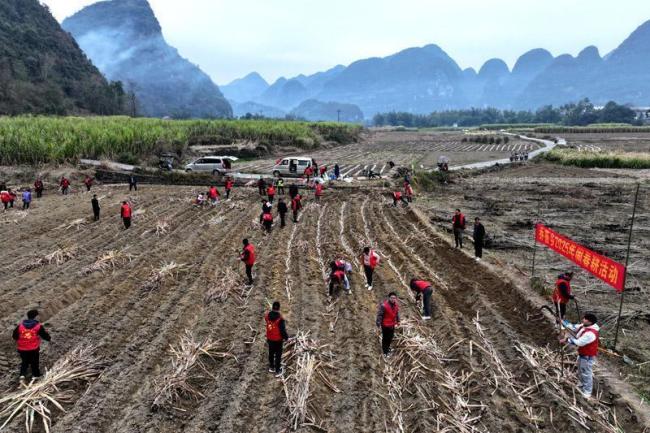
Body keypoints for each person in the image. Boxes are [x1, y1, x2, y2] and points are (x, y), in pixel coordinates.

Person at [560, 313, 600, 399]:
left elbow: (579, 342)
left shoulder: (591, 334)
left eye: (585, 319)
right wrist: (564, 323)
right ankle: (581, 384)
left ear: (590, 322)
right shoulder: (585, 326)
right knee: (580, 370)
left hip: (587, 356)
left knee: (586, 373)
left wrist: (567, 339)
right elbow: (574, 327)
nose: (583, 320)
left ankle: (587, 391)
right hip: (582, 354)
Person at [13, 309, 51, 382]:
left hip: (22, 348)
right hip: (33, 348)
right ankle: (36, 375)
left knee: (24, 362)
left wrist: (21, 340)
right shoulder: (38, 326)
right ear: (36, 316)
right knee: (34, 362)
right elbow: (44, 335)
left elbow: (14, 336)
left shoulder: (20, 326)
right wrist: (49, 339)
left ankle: (22, 375)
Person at [265, 301, 290, 377]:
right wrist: (286, 338)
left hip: (270, 338)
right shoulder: (280, 318)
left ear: (272, 307)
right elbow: (282, 331)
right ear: (279, 308)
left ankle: (271, 367)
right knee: (278, 355)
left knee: (271, 352)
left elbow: (267, 321)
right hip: (278, 340)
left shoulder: (267, 316)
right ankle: (278, 370)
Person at [376, 292, 400, 358]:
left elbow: (397, 313)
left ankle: (388, 348)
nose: (393, 299)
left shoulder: (396, 305)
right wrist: (378, 324)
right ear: (389, 298)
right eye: (392, 298)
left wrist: (398, 321)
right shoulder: (384, 306)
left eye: (394, 298)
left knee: (390, 338)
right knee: (385, 338)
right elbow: (380, 315)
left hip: (392, 325)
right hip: (385, 325)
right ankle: (385, 352)